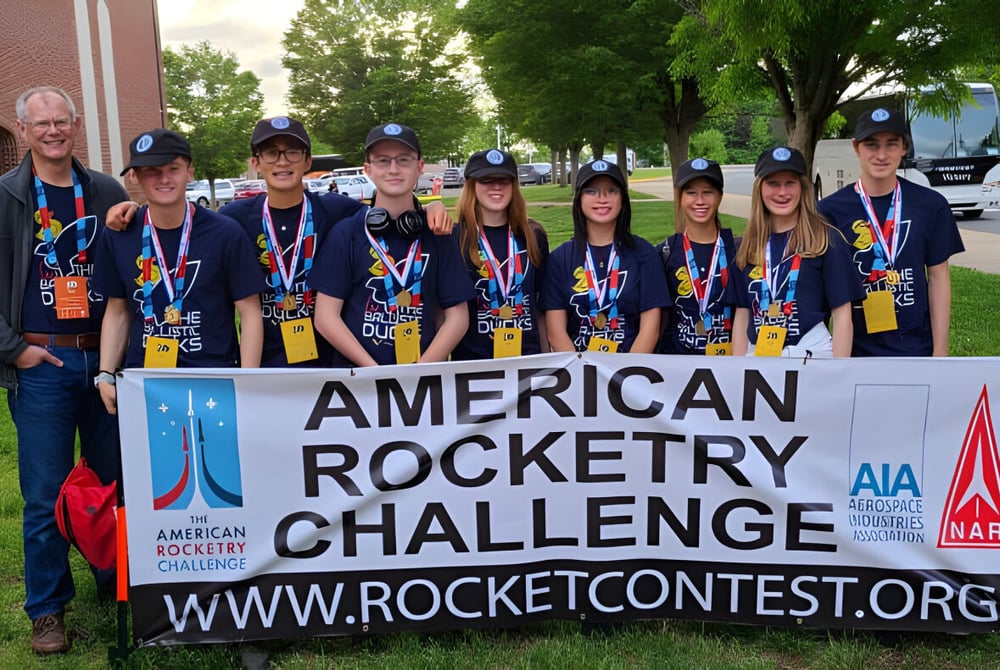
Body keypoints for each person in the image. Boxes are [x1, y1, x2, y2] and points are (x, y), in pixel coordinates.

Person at [0, 86, 127, 654]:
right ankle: (48, 609)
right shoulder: (5, 196)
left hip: (104, 357)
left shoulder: (104, 190)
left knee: (114, 480)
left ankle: (116, 580)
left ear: (75, 126)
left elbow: (135, 265)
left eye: (62, 122)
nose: (53, 131)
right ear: (22, 131)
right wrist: (13, 349)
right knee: (45, 491)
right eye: (41, 123)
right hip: (42, 361)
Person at [92, 128, 263, 414]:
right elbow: (117, 309)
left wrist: (246, 381)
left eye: (173, 168)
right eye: (152, 171)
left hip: (214, 379)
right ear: (134, 176)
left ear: (190, 172)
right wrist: (106, 374)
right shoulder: (119, 234)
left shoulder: (224, 233)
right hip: (144, 383)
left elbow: (249, 312)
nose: (164, 179)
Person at [311, 123, 474, 366]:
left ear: (419, 167)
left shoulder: (437, 233)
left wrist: (421, 369)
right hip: (358, 382)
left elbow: (458, 317)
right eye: (383, 161)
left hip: (422, 382)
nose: (394, 169)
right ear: (368, 169)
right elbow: (325, 317)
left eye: (403, 160)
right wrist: (374, 371)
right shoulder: (346, 233)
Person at [818, 107, 965, 356]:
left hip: (917, 350)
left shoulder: (931, 205)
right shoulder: (829, 211)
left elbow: (938, 277)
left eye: (891, 144)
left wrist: (940, 350)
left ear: (904, 147)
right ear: (856, 148)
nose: (882, 155)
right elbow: (823, 287)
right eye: (872, 145)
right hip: (856, 351)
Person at [732, 147, 864, 357]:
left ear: (802, 187)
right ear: (760, 188)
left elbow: (842, 315)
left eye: (790, 183)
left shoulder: (826, 240)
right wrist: (738, 372)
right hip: (758, 358)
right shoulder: (746, 246)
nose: (782, 192)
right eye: (773, 184)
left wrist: (839, 372)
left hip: (811, 354)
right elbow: (742, 315)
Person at [540, 160, 669, 353]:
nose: (602, 199)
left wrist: (626, 375)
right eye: (591, 191)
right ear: (579, 199)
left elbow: (650, 328)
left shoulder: (645, 253)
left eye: (611, 190)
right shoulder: (560, 258)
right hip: (578, 372)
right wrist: (581, 374)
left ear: (623, 198)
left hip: (631, 371)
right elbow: (556, 333)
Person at [452, 149, 549, 360]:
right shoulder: (454, 238)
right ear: (472, 185)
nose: (496, 186)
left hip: (528, 363)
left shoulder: (533, 235)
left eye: (503, 180)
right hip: (472, 368)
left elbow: (539, 308)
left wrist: (547, 360)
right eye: (487, 180)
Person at [656, 157, 739, 355]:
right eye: (691, 193)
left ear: (719, 196)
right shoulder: (664, 252)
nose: (700, 201)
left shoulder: (738, 251)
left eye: (707, 193)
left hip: (729, 366)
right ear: (680, 198)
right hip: (677, 367)